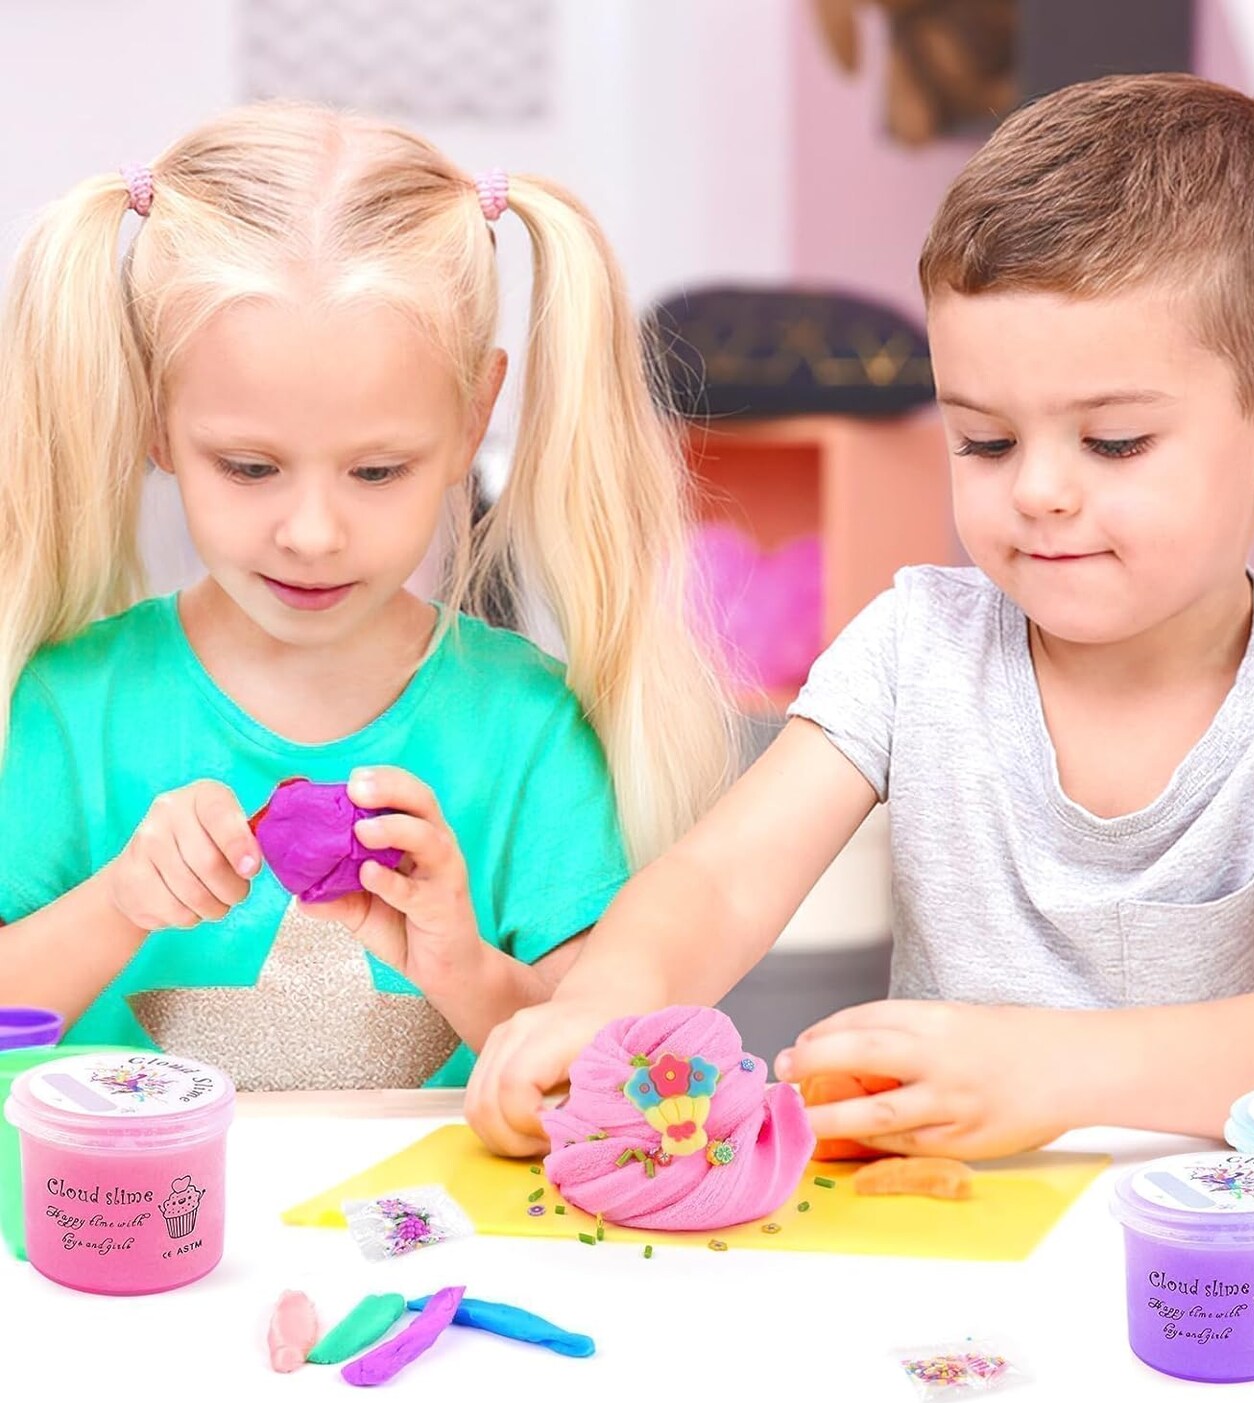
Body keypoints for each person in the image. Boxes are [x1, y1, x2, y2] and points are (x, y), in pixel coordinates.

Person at [469, 73, 1254, 1156]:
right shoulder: (914, 646)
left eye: (1113, 442)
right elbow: (721, 879)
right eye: (986, 441)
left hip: (1211, 1243)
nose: (1038, 490)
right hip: (952, 1226)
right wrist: (604, 1000)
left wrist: (1048, 1069)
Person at [0, 102, 730, 1089]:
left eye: (377, 471)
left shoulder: (530, 730)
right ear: (154, 415)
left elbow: (603, 1072)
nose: (313, 533)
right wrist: (120, 901)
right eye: (249, 467)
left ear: (472, 417)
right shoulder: (64, 707)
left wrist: (460, 964)